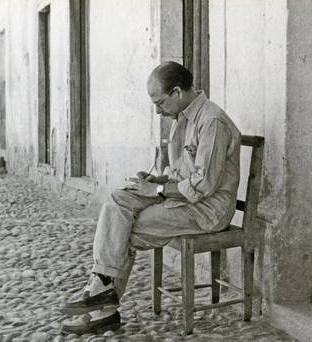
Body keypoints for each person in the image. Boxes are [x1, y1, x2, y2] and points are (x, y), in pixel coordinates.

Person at [60, 61, 241, 335]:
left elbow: (203, 185)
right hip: (183, 198)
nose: (158, 110)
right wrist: (158, 180)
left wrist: (156, 192)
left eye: (160, 102)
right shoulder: (183, 119)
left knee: (125, 231)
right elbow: (182, 173)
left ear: (178, 92)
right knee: (118, 200)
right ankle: (101, 292)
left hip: (207, 210)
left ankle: (102, 304)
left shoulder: (211, 122)